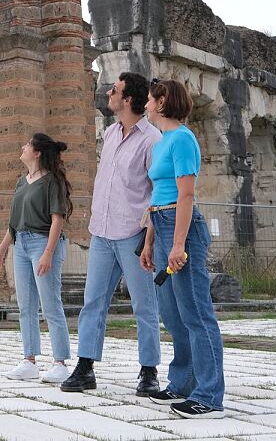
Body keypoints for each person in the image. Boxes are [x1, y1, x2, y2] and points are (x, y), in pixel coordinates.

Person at [60, 72, 162, 396]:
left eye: (114, 90)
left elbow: (158, 190)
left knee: (144, 305)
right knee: (93, 302)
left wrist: (150, 235)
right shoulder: (109, 133)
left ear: (128, 99)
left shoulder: (152, 140)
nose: (108, 93)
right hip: (102, 232)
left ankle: (149, 371)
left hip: (133, 233)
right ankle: (85, 366)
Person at [140, 78, 226, 418]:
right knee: (173, 314)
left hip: (183, 228)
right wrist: (149, 242)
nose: (145, 105)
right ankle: (182, 384)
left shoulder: (183, 139)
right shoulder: (161, 142)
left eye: (148, 100)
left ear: (162, 102)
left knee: (196, 313)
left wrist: (178, 244)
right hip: (161, 225)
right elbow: (156, 196)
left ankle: (209, 395)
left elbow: (185, 195)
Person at [0, 133, 73, 384]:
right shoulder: (21, 182)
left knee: (50, 304)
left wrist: (48, 253)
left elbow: (58, 218)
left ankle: (60, 362)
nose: (22, 147)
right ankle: (29, 360)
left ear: (37, 152)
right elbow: (14, 223)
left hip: (43, 243)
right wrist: (1, 249)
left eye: (27, 145)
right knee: (25, 306)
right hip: (21, 244)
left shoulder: (53, 181)